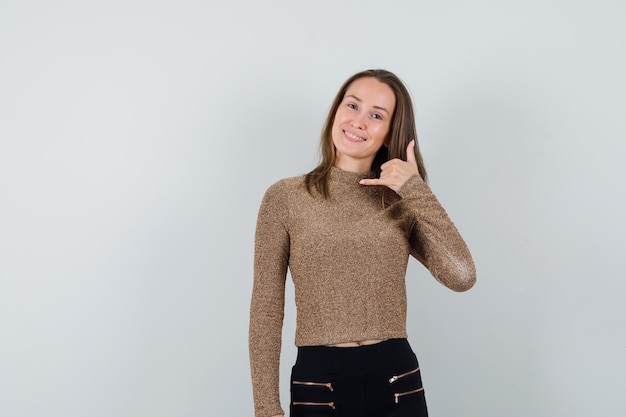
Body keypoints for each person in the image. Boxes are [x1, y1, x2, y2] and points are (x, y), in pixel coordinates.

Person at [249, 69, 476, 417]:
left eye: (376, 115)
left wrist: (414, 188)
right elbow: (266, 307)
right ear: (336, 111)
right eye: (352, 105)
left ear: (389, 134)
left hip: (395, 377)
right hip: (318, 381)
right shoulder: (286, 197)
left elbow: (462, 276)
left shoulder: (400, 201)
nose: (358, 121)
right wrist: (266, 407)